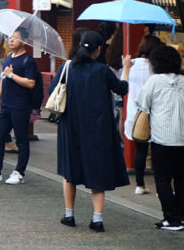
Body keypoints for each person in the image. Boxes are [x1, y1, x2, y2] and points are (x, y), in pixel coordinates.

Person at [54, 30, 130, 231]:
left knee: (70, 172)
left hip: (70, 127)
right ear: (98, 50)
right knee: (97, 171)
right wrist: (127, 69)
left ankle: (69, 214)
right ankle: (97, 219)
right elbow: (122, 88)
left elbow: (52, 90)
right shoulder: (102, 70)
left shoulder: (67, 67)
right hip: (98, 128)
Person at [135, 44, 184, 230]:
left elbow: (142, 105)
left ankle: (171, 218)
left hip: (164, 137)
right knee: (182, 176)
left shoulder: (154, 81)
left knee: (163, 178)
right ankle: (180, 214)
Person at [0, 27, 41, 187]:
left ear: (23, 41)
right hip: (6, 104)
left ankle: (19, 172)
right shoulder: (9, 57)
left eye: (15, 38)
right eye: (10, 37)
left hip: (20, 106)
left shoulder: (28, 61)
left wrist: (12, 75)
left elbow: (31, 83)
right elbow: (3, 78)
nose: (11, 40)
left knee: (21, 140)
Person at [124, 34, 162, 195]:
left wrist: (126, 66)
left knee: (140, 150)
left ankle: (140, 184)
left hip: (135, 114)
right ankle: (162, 185)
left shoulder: (131, 64)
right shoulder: (156, 67)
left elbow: (123, 84)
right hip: (155, 114)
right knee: (158, 151)